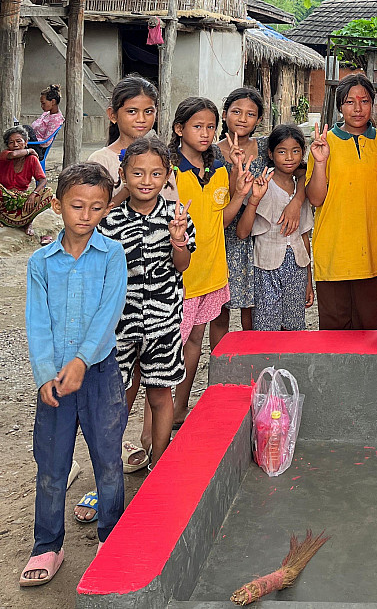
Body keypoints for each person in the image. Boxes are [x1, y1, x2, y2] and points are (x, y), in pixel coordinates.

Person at [20, 163, 127, 588]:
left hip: (99, 375)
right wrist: (47, 373)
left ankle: (111, 537)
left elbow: (108, 314)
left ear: (105, 209)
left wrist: (82, 360)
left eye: (96, 207)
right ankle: (47, 545)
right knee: (51, 464)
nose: (85, 215)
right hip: (55, 384)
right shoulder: (41, 262)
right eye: (77, 205)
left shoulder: (112, 255)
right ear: (57, 204)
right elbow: (37, 322)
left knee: (108, 459)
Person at [102, 136, 194, 466]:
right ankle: (107, 468)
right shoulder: (108, 222)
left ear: (167, 175)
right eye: (137, 173)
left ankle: (161, 463)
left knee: (159, 392)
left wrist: (177, 240)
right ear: (123, 174)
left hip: (163, 325)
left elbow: (182, 265)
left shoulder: (177, 215)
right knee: (117, 397)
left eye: (156, 174)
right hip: (120, 327)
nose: (146, 181)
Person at [170, 97, 250, 424]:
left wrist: (241, 193)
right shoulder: (169, 172)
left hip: (212, 274)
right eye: (197, 126)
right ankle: (159, 419)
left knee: (195, 344)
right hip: (179, 279)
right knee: (168, 351)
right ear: (179, 129)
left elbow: (224, 219)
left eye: (210, 127)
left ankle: (180, 408)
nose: (205, 133)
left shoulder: (216, 167)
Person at [306, 74, 377, 330]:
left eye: (364, 101)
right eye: (350, 102)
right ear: (340, 106)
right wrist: (320, 162)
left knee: (371, 332)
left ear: (373, 104)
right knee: (334, 337)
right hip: (334, 255)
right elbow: (316, 198)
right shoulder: (324, 143)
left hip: (375, 254)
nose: (358, 108)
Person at [237, 125, 314, 331]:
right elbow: (242, 232)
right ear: (270, 153)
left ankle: (290, 364)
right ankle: (266, 364)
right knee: (265, 328)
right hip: (266, 267)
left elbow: (304, 235)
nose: (289, 157)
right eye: (282, 151)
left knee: (294, 327)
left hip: (297, 267)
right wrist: (254, 199)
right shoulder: (262, 185)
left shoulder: (302, 189)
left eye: (295, 151)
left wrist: (309, 281)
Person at [216, 88, 268, 335]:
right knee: (220, 308)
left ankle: (251, 364)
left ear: (259, 120)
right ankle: (220, 365)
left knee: (254, 306)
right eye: (236, 112)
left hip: (260, 235)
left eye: (250, 114)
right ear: (225, 114)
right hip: (223, 237)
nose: (242, 118)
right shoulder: (212, 152)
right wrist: (235, 169)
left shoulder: (268, 147)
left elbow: (297, 172)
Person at [88, 76, 173, 209]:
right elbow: (93, 211)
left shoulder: (160, 158)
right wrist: (128, 189)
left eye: (148, 111)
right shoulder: (101, 160)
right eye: (132, 111)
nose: (141, 119)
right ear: (113, 115)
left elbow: (172, 206)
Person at [0, 125, 51, 233]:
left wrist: (34, 194)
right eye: (11, 142)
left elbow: (43, 180)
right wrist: (30, 150)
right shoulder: (5, 154)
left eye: (19, 141)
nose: (15, 145)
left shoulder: (32, 160)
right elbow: (13, 154)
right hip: (3, 196)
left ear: (26, 142)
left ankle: (27, 222)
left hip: (21, 198)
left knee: (48, 193)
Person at [26, 84, 64, 157]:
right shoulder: (46, 114)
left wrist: (27, 140)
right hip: (31, 143)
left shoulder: (56, 120)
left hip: (38, 149)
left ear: (53, 102)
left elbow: (46, 142)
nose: (41, 106)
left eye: (43, 103)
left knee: (25, 129)